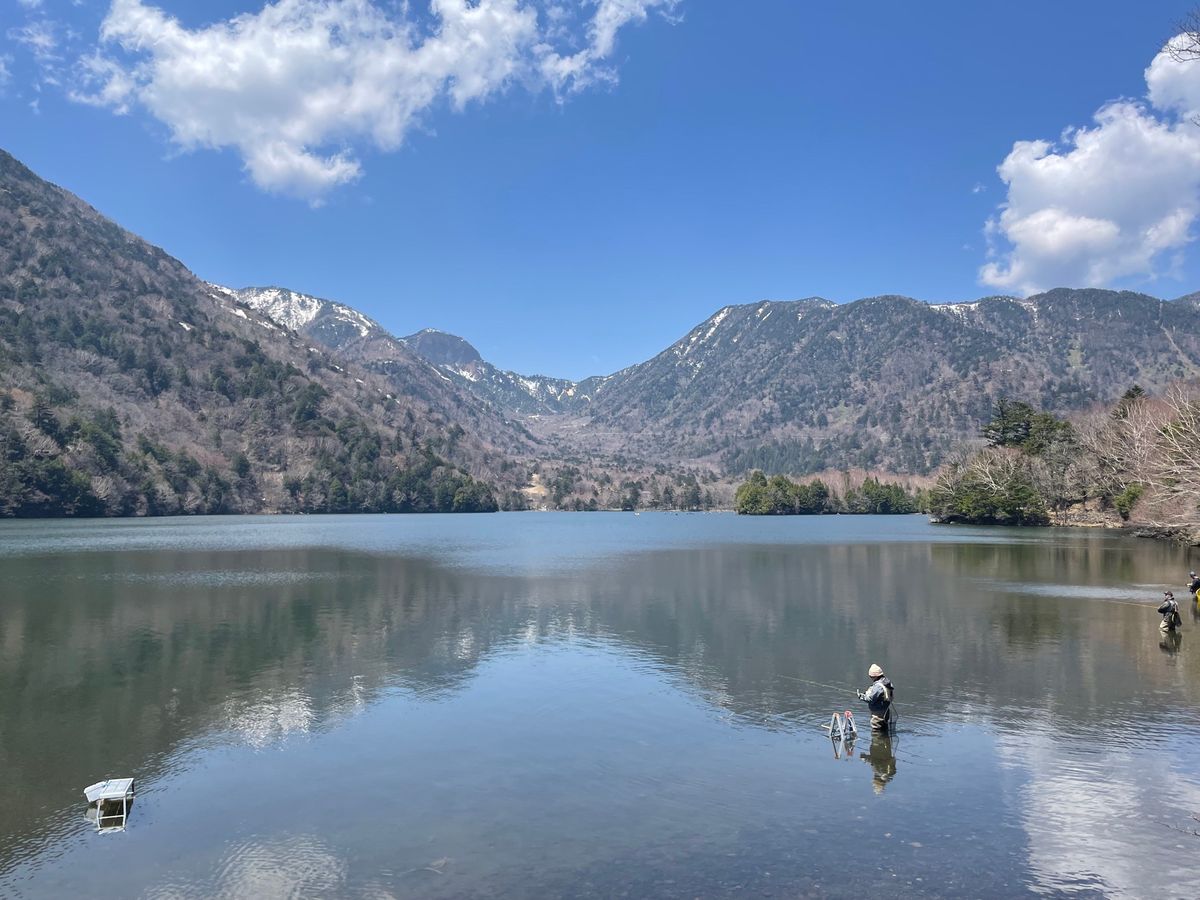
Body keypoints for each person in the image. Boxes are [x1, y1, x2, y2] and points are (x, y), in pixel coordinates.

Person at [857, 663, 895, 732]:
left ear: (874, 676)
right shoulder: (887, 682)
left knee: (876, 732)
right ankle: (885, 739)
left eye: (871, 676)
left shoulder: (878, 686)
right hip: (886, 711)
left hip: (878, 715)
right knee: (884, 730)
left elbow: (870, 699)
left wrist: (861, 696)